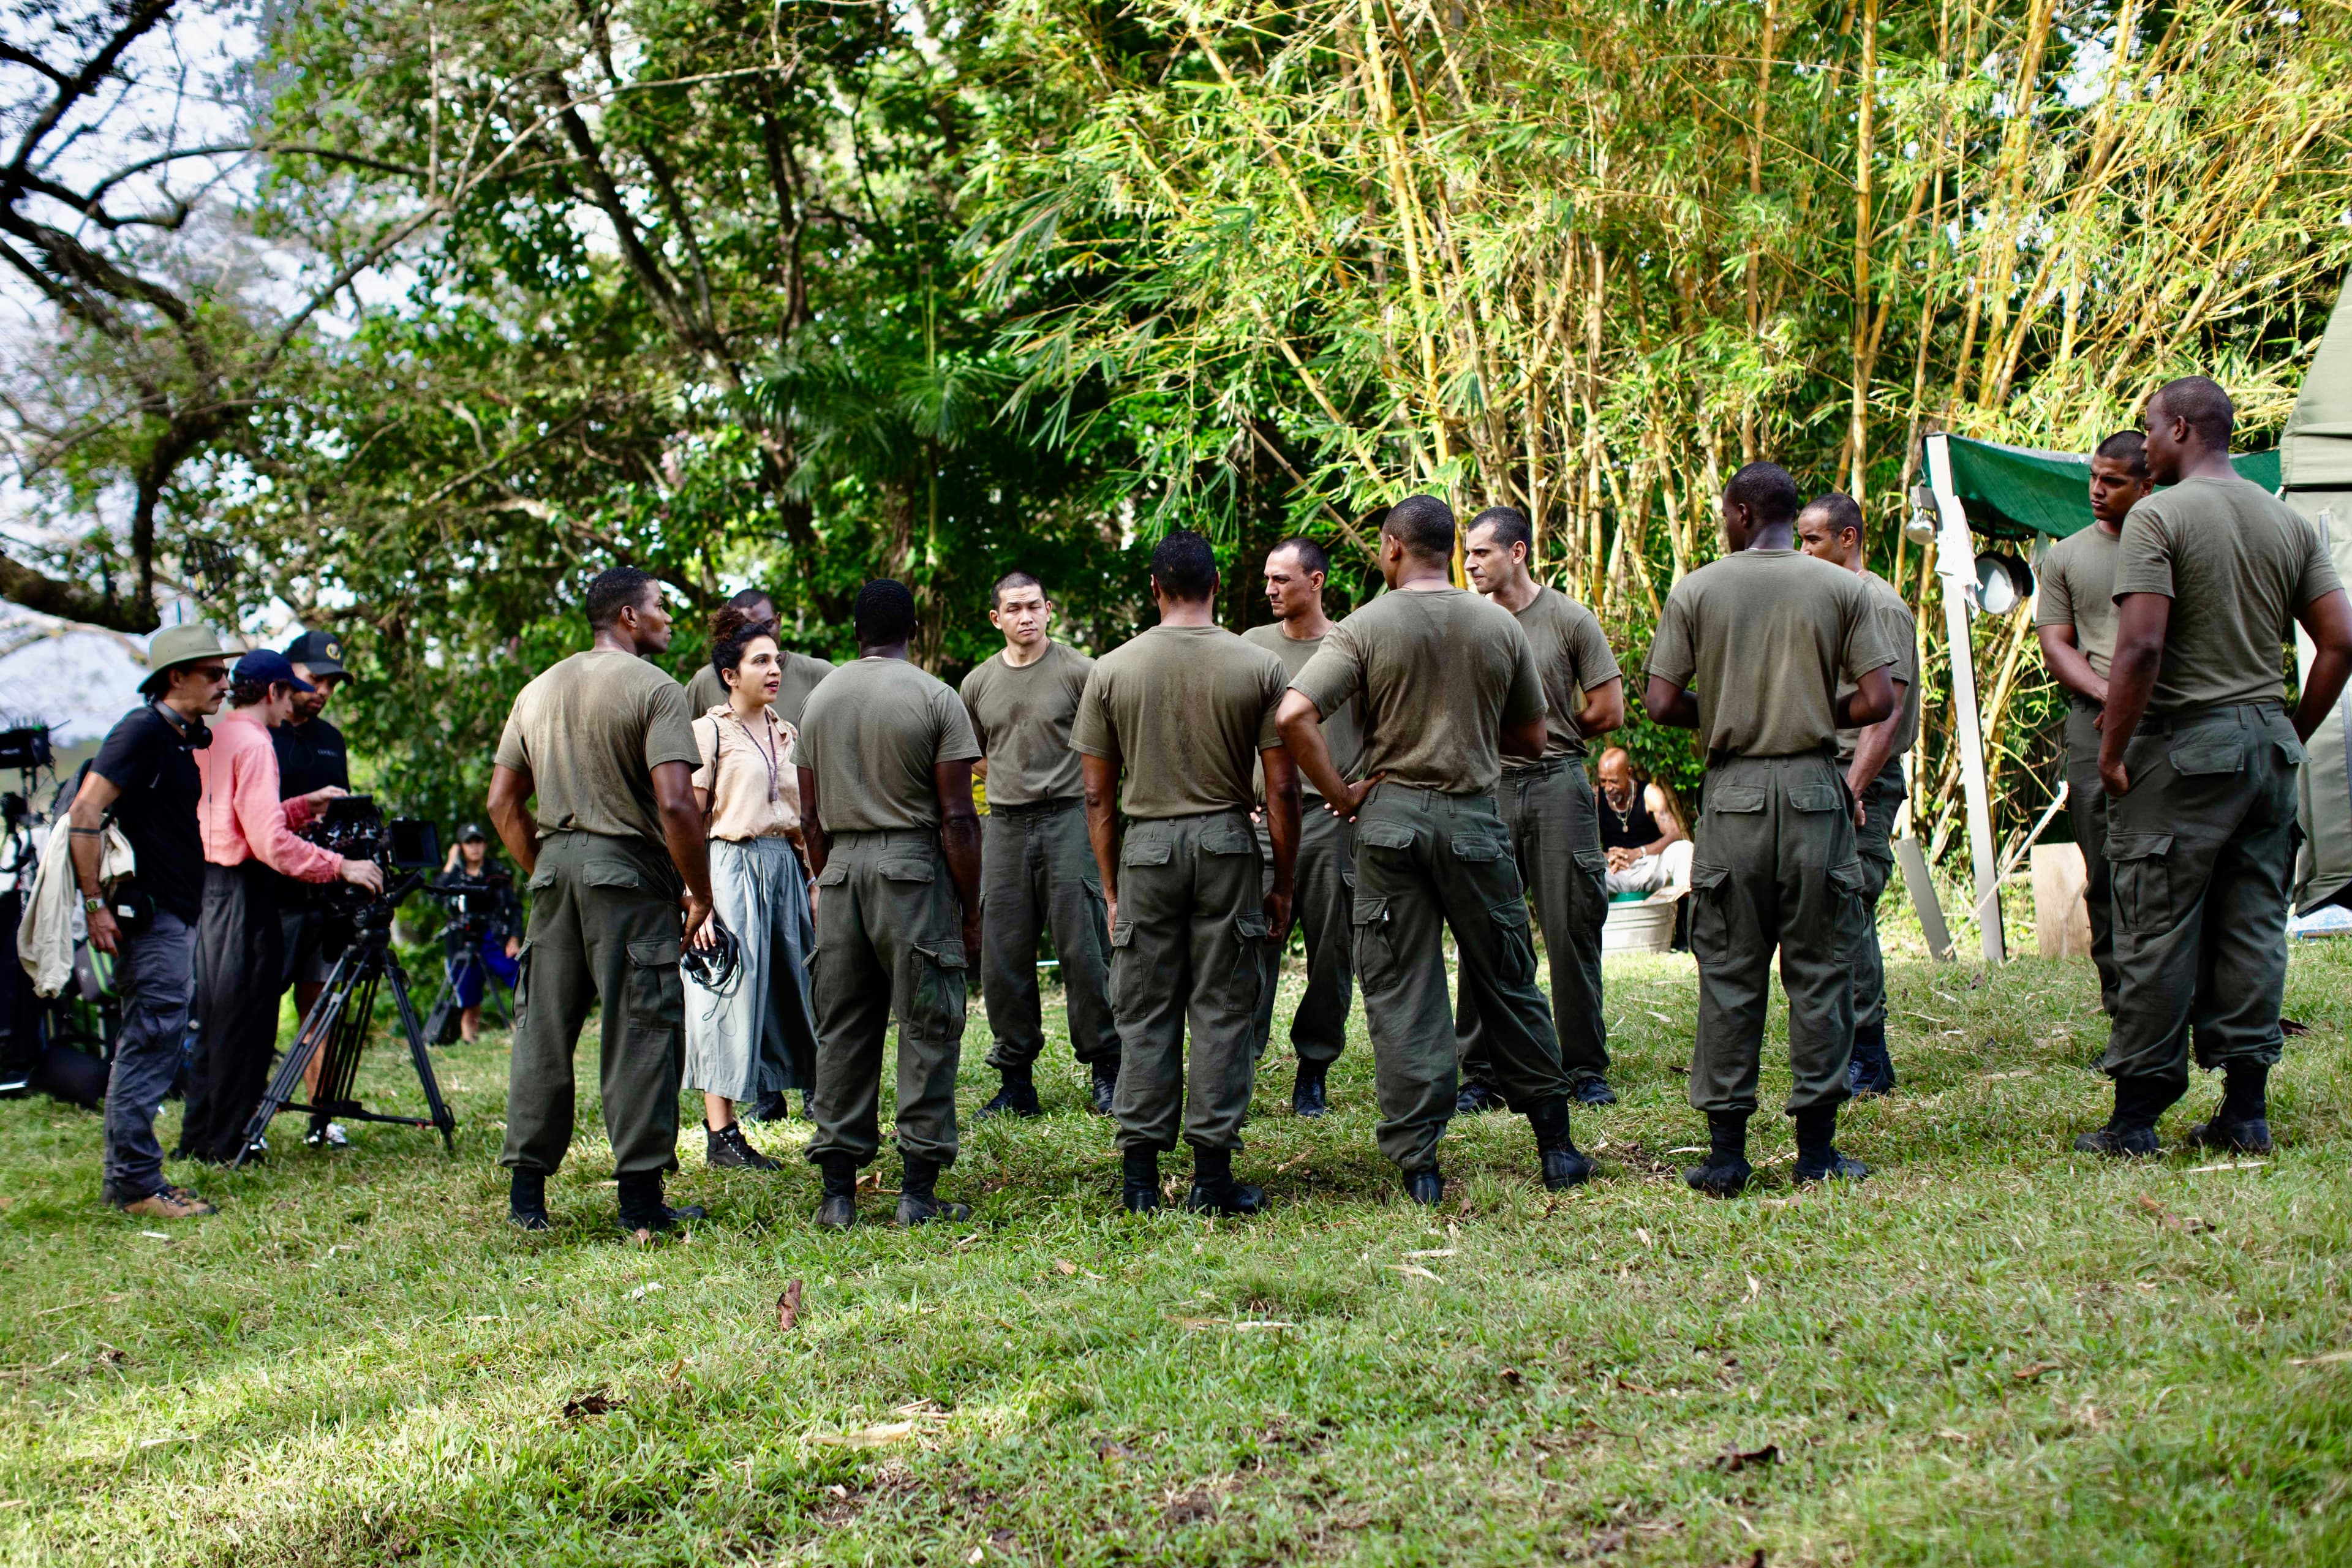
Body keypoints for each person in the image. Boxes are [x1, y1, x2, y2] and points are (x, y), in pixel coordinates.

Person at [1279, 494, 1592, 1204]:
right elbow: (1534, 740)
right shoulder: (1498, 624)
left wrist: (1341, 790)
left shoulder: (1362, 627)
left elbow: (1295, 713)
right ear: (1452, 549)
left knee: (1401, 988)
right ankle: (1557, 1146)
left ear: (1393, 547)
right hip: (1476, 821)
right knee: (1508, 976)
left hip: (1388, 824)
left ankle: (1421, 1165)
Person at [2082, 376, 2352, 1156]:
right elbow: (2338, 639)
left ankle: (2136, 1117)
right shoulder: (2287, 518)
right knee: (2255, 924)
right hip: (2267, 751)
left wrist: (2112, 750)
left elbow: (2140, 646)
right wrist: (2289, 726)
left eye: (2148, 430)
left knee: (2158, 925)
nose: (2145, 443)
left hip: (2184, 750)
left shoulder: (2158, 515)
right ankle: (2245, 1110)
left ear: (2178, 429)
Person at [1642, 462, 1895, 1196]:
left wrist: (1724, 708)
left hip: (1736, 793)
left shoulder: (1699, 587)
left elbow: (1660, 702)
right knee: (1821, 972)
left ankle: (1726, 1156)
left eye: (1725, 511)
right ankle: (1817, 1153)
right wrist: (1816, 711)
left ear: (1744, 513)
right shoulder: (1846, 588)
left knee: (1728, 971)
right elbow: (1878, 698)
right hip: (1818, 790)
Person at [488, 565, 717, 1235]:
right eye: (660, 607)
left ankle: (527, 1200)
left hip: (554, 872)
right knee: (640, 1028)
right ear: (627, 618)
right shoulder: (655, 688)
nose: (669, 619)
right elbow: (676, 802)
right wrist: (697, 892)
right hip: (629, 877)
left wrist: (549, 868)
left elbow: (503, 802)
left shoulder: (537, 689)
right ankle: (641, 1207)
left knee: (542, 1032)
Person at [1075, 530, 1297, 1215]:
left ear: (1155, 587)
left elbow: (1095, 796)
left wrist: (1112, 888)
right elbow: (1282, 789)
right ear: (1214, 583)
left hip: (1146, 847)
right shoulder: (1256, 664)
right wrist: (1283, 881)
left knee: (1142, 1009)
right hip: (1229, 843)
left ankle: (1140, 1181)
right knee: (1224, 1007)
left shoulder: (1111, 670)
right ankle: (1211, 1178)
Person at [793, 579, 984, 1229]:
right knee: (927, 1027)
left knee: (842, 1031)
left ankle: (838, 1196)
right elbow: (958, 817)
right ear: (912, 629)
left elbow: (810, 817)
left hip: (842, 872)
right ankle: (916, 1194)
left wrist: (832, 878)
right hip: (913, 872)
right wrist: (971, 907)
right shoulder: (937, 697)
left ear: (855, 631)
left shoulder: (819, 700)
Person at [179, 650, 384, 1165]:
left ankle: (199, 1137)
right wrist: (341, 866)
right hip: (245, 889)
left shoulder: (218, 735)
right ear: (272, 693)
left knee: (216, 1017)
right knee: (247, 1021)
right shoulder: (256, 742)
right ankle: (230, 1144)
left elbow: (240, 816)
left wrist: (303, 805)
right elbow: (268, 842)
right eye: (290, 694)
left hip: (210, 885)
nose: (292, 705)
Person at [1455, 507, 1625, 1110]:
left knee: (1572, 925)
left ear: (1519, 551)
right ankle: (1481, 1075)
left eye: (1482, 552)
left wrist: (1547, 729)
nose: (1471, 563)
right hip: (1485, 789)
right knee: (1485, 931)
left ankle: (1584, 1068)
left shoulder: (1569, 617)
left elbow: (1609, 709)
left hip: (1559, 786)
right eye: (1467, 553)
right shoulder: (1463, 622)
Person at [67, 625, 232, 1218]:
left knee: (158, 1041)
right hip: (151, 916)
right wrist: (95, 905)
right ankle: (136, 1185)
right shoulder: (139, 731)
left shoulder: (178, 738)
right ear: (175, 677)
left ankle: (130, 1179)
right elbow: (86, 811)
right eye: (213, 673)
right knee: (151, 1042)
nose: (224, 683)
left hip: (177, 913)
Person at [960, 572, 1121, 1119]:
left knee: (1085, 949)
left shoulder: (1081, 671)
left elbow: (1110, 745)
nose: (1025, 617)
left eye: (1034, 606)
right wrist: (1007, 775)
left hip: (1069, 818)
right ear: (996, 618)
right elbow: (973, 752)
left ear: (1049, 609)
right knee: (1003, 955)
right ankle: (1015, 1081)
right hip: (1003, 824)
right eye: (1014, 609)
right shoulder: (977, 683)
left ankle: (1106, 1068)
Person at [682, 606, 821, 1172]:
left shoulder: (789, 733)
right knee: (725, 993)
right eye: (759, 661)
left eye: (776, 660)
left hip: (784, 868)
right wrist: (697, 899)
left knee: (796, 989)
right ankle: (722, 1135)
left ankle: (820, 1110)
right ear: (729, 674)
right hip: (728, 867)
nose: (774, 670)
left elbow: (800, 819)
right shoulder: (709, 732)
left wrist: (812, 880)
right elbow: (687, 822)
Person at [1796, 491, 1918, 1097]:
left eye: (1813, 539)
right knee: (1825, 909)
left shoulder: (1877, 603)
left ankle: (1870, 1052)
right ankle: (1842, 1043)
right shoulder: (1826, 600)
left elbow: (1886, 714)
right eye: (1798, 538)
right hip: (1826, 770)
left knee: (1849, 905)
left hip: (1862, 773)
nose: (1802, 551)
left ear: (1849, 538)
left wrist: (1853, 788)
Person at [1241, 537, 1360, 1117]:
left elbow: (1384, 731)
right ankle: (1241, 1061)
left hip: (1331, 819)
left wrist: (1360, 792)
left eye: (1281, 580)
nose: (1269, 590)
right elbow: (1232, 731)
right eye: (1267, 579)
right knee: (1252, 938)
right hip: (1263, 820)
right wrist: (1239, 797)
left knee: (1331, 950)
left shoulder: (1353, 644)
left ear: (1315, 582)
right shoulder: (1251, 647)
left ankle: (1314, 1067)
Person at [2035, 432, 2152, 1017]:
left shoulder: (2173, 541)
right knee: (2102, 867)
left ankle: (2188, 1000)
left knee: (2173, 869)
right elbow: (2056, 644)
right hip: (2092, 722)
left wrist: (2135, 699)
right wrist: (2110, 693)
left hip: (2167, 721)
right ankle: (2123, 1009)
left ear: (2147, 484)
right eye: (2093, 479)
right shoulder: (2067, 555)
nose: (2097, 491)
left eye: (2113, 481)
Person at [274, 628, 355, 1143]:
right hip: (268, 894)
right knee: (258, 1007)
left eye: (332, 683)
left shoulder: (331, 740)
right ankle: (248, 1120)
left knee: (321, 1001)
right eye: (315, 678)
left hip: (325, 893)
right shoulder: (260, 734)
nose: (324, 690)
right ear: (287, 672)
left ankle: (321, 1119)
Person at [685, 587, 836, 730]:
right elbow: (680, 737)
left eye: (768, 625)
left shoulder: (819, 674)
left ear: (779, 621)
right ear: (729, 677)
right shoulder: (706, 680)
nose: (761, 635)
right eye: (748, 628)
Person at [435, 826, 521, 1043]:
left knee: (519, 977)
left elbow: (514, 907)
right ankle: (468, 1038)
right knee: (468, 992)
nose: (474, 848)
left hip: (494, 936)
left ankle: (526, 1025)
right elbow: (437, 896)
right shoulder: (455, 874)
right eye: (469, 843)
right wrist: (450, 863)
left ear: (485, 845)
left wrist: (514, 937)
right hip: (462, 940)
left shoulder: (496, 872)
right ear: (461, 847)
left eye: (478, 842)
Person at [1597, 748, 1689, 894]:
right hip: (1613, 871)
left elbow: (1674, 834)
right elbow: (1581, 845)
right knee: (1575, 866)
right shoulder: (1595, 797)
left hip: (1648, 868)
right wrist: (1607, 856)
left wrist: (1639, 852)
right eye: (1603, 781)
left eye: (1614, 781)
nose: (1608, 788)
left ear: (1629, 774)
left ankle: (1685, 913)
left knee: (1683, 849)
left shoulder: (1650, 794)